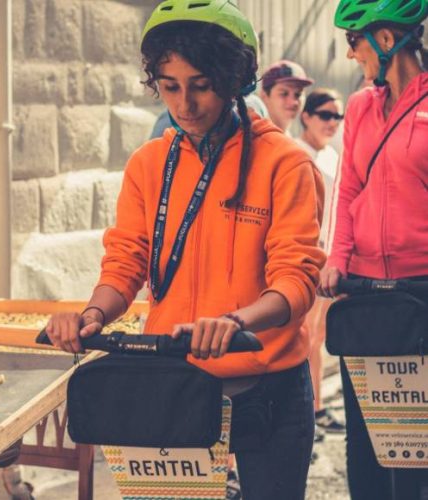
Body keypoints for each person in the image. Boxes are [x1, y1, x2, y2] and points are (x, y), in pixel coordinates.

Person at [46, 1, 325, 498]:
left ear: (235, 78)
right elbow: (126, 260)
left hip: (269, 389)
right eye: (170, 86)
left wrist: (236, 322)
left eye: (200, 84)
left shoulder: (285, 162)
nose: (184, 105)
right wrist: (92, 314)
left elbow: (296, 278)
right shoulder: (149, 163)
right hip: (175, 382)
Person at [320, 0, 428, 498]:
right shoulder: (361, 106)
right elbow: (348, 191)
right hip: (364, 292)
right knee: (365, 443)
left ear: (387, 40)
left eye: (354, 40)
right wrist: (338, 260)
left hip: (420, 294)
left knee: (417, 449)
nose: (349, 54)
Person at [294, 88, 346, 441]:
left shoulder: (331, 156)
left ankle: (316, 408)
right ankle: (306, 414)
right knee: (306, 337)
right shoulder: (297, 153)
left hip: (332, 258)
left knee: (320, 337)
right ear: (307, 116)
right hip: (309, 257)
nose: (332, 122)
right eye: (325, 115)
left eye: (337, 117)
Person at [260, 60, 314, 134]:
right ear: (264, 96)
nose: (293, 102)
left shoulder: (289, 138)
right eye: (284, 94)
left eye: (298, 94)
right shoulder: (255, 138)